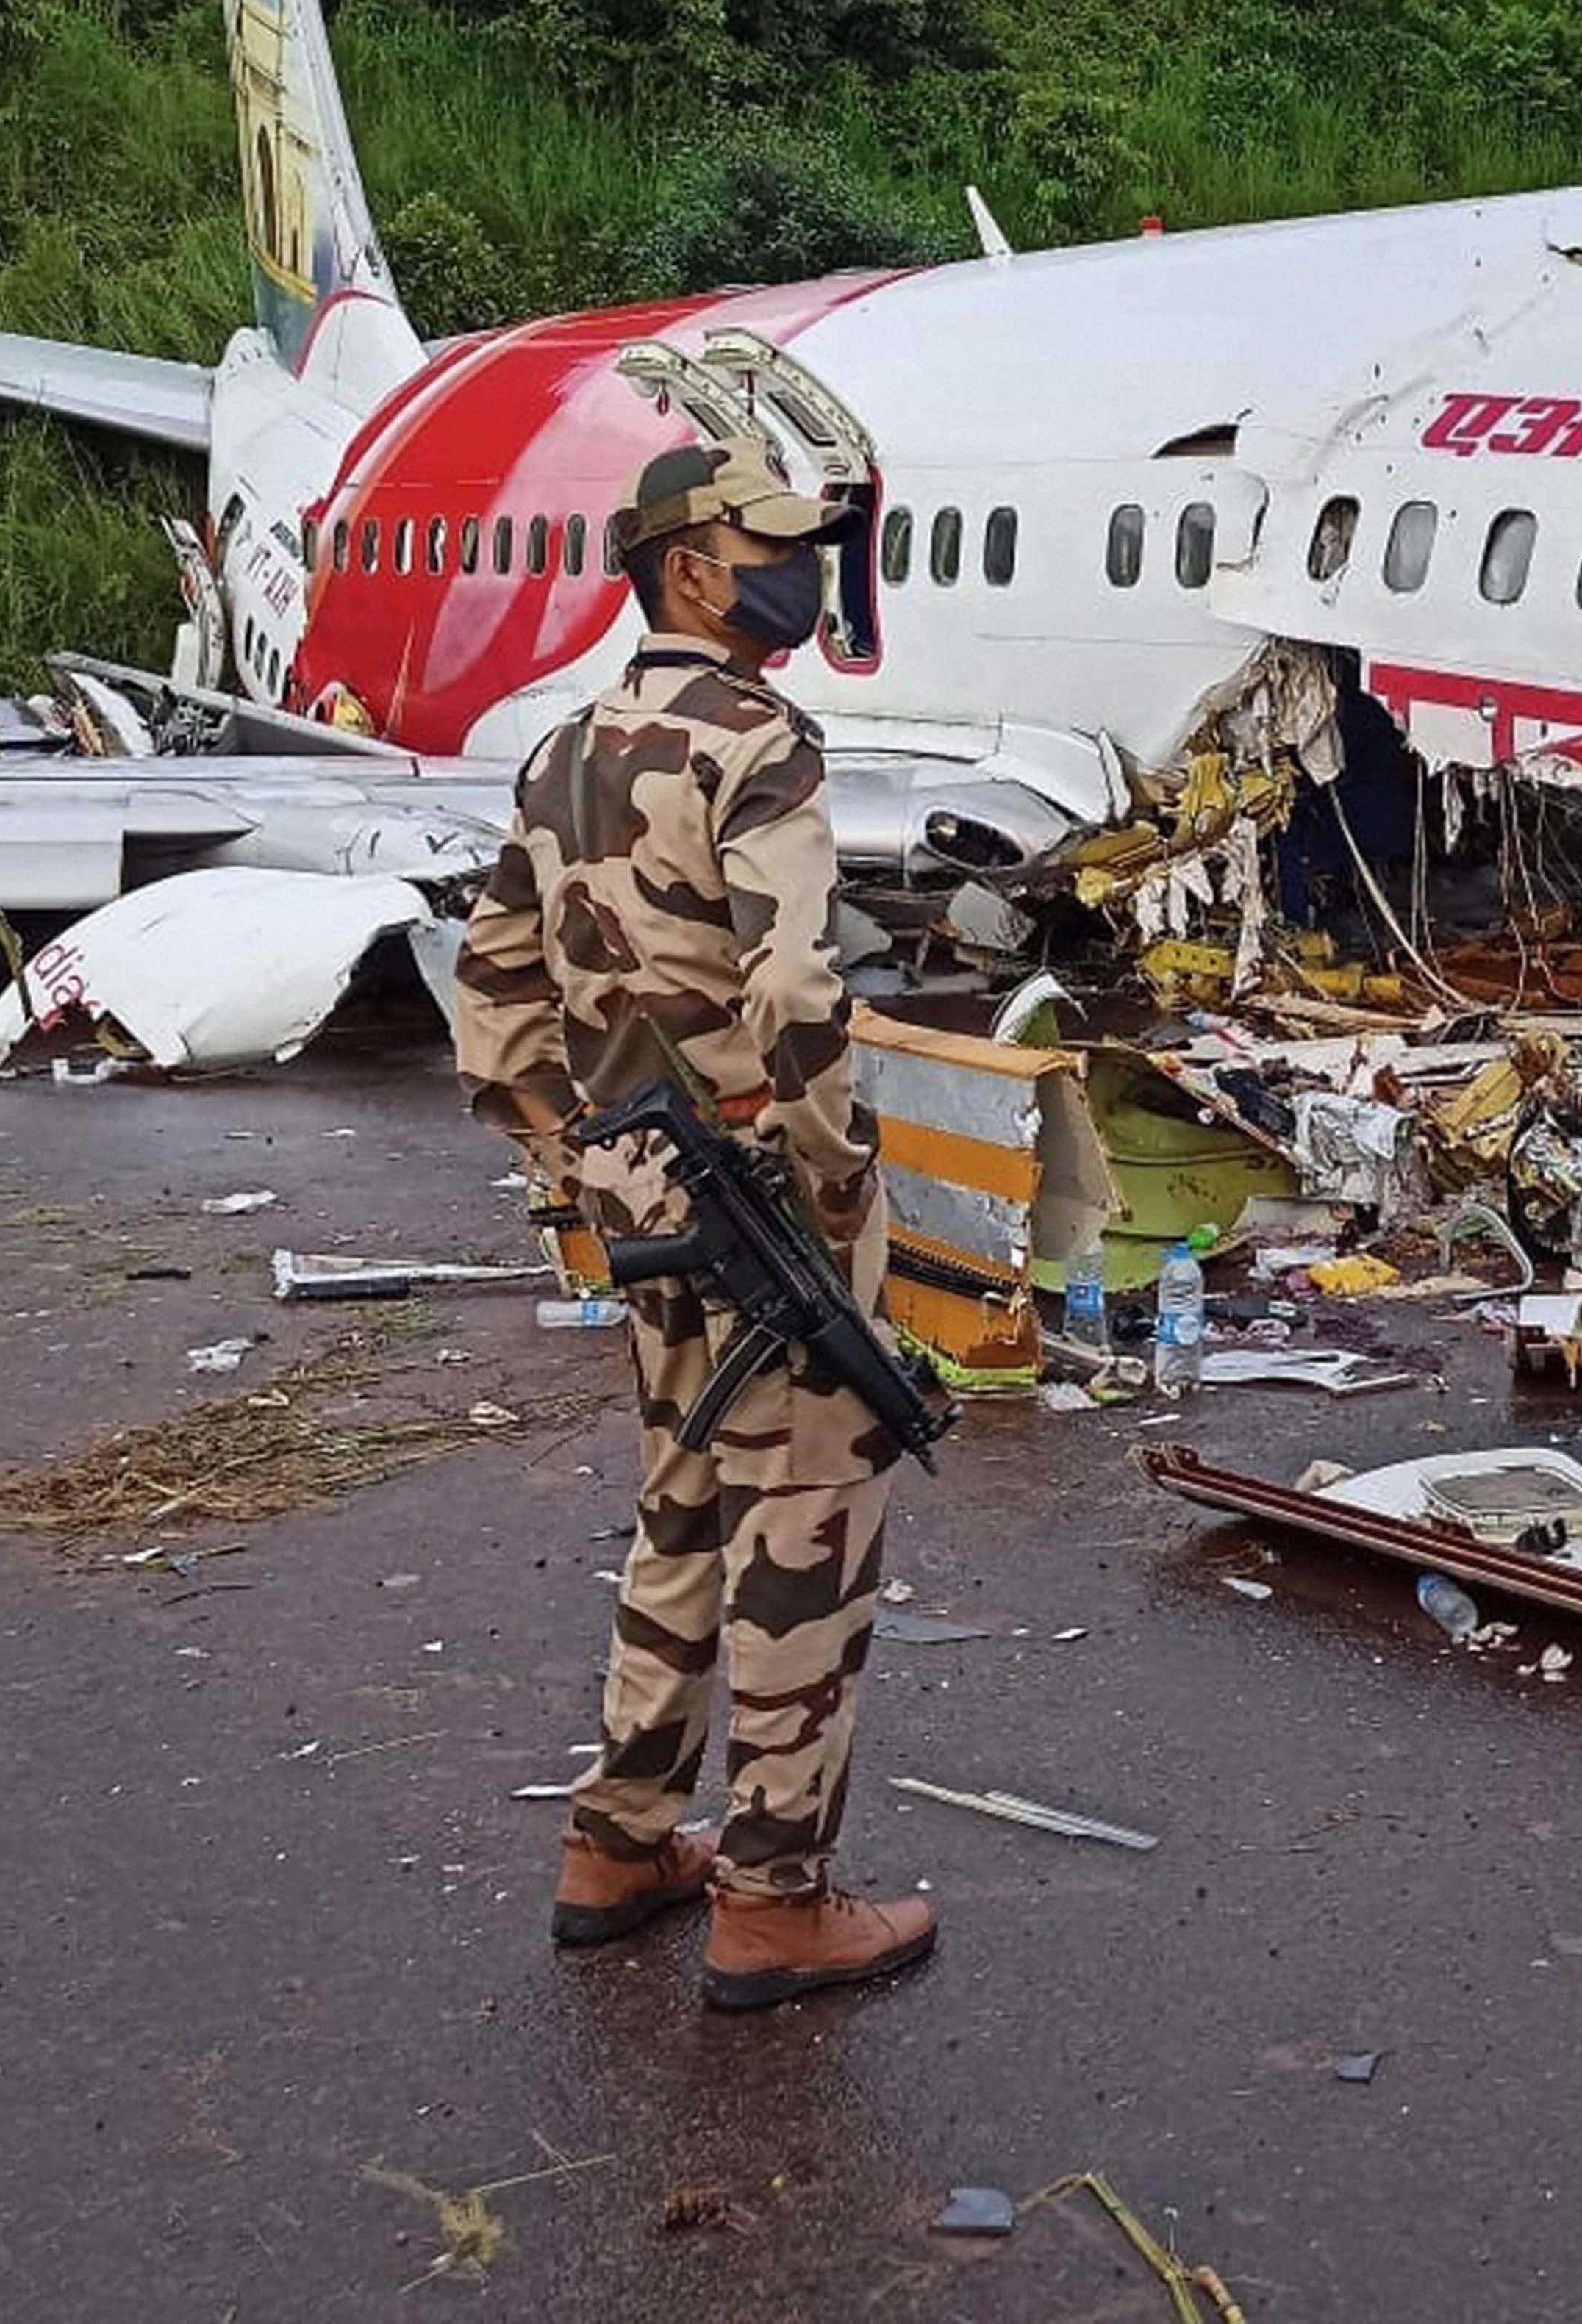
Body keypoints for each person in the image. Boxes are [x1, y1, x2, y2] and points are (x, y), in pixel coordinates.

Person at [454, 439, 937, 2012]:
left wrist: (570, 1165)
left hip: (643, 1195)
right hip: (763, 1193)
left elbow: (497, 996)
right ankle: (775, 1902)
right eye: (769, 543)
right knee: (802, 1532)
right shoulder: (757, 740)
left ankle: (618, 1840)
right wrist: (841, 1176)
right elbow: (796, 990)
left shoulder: (559, 750)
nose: (797, 572)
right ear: (685, 568)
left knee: (680, 1502)